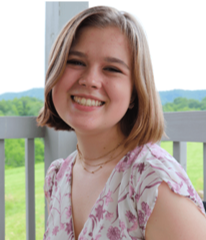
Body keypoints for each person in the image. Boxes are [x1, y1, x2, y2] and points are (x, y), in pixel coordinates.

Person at [37, 6, 206, 240]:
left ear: (135, 94)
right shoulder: (58, 177)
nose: (90, 80)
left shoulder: (153, 182)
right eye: (76, 62)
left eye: (112, 69)